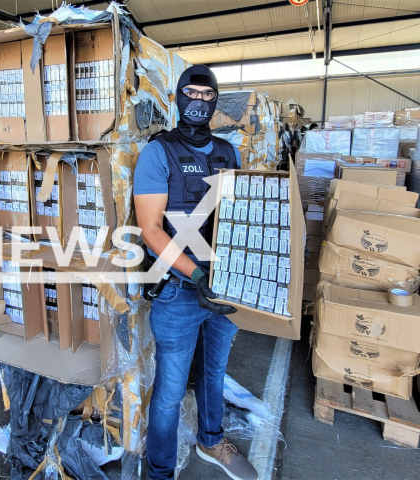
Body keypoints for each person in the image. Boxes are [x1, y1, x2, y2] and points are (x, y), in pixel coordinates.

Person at [134, 65, 258, 480]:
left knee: (214, 372)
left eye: (208, 96)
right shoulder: (158, 152)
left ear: (216, 102)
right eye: (192, 93)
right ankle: (159, 472)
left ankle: (210, 439)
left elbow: (238, 218)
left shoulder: (229, 152)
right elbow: (151, 229)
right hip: (179, 290)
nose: (199, 102)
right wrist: (197, 275)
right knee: (170, 392)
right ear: (176, 97)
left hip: (224, 285)